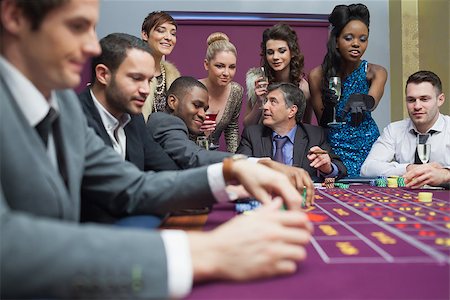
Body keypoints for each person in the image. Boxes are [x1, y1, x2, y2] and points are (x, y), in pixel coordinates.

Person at [0, 0, 313, 298]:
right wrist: (201, 252)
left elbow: (132, 185)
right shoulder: (76, 104)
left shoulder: (63, 103)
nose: (92, 47)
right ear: (14, 16)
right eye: (77, 26)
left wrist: (235, 169)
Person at [147, 76, 315, 204]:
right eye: (196, 105)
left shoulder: (177, 129)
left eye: (205, 109)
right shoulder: (163, 121)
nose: (202, 114)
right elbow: (194, 158)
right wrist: (262, 164)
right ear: (172, 101)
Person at [78, 33, 181, 224]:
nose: (146, 90)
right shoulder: (75, 118)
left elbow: (167, 170)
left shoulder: (133, 117)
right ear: (103, 75)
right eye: (136, 78)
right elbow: (113, 194)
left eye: (149, 80)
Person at [309, 3, 388, 177]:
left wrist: (362, 100)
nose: (356, 44)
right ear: (336, 40)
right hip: (334, 150)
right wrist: (330, 107)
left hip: (367, 147)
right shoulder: (317, 75)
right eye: (349, 38)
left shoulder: (376, 72)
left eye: (362, 39)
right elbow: (322, 122)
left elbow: (373, 100)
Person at [237, 82, 347, 181]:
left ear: (292, 111)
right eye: (266, 101)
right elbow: (238, 167)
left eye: (273, 102)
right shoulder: (252, 134)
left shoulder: (314, 135)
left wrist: (328, 168)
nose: (265, 107)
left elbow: (340, 168)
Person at [361, 71, 450, 189]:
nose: (417, 106)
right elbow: (367, 169)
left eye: (424, 99)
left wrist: (446, 175)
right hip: (405, 200)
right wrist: (407, 168)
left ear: (440, 100)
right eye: (411, 100)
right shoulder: (394, 130)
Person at [244, 23, 311, 127]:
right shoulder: (259, 82)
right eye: (270, 52)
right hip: (260, 141)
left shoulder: (303, 88)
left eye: (282, 51)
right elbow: (247, 126)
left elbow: (306, 126)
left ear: (292, 52)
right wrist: (259, 102)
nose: (275, 57)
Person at [199, 32, 243, 153]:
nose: (226, 73)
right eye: (220, 66)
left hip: (214, 156)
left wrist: (234, 160)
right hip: (188, 154)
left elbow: (231, 128)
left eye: (232, 67)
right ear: (206, 64)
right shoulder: (192, 89)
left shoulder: (236, 91)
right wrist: (198, 130)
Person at [140, 11, 181, 121]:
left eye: (173, 33)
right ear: (145, 34)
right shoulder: (134, 73)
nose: (168, 37)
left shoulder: (173, 76)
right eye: (161, 31)